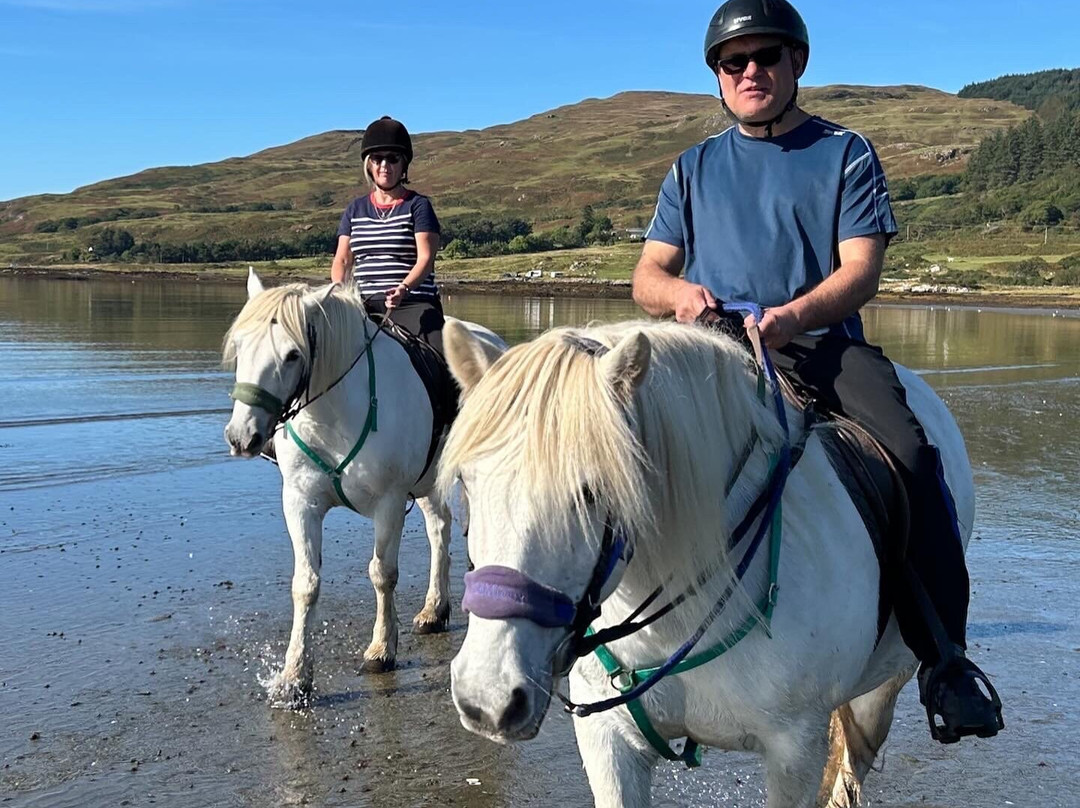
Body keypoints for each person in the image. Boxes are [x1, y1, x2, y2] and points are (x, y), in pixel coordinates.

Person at [631, 0, 1003, 744]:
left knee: (909, 454)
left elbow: (861, 270)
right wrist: (681, 295)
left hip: (821, 347)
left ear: (796, 64)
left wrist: (792, 316)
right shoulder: (693, 168)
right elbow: (648, 274)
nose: (750, 72)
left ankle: (944, 662)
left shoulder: (846, 152)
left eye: (766, 57)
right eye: (733, 63)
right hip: (710, 346)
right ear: (718, 79)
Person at [332, 115, 445, 353]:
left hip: (413, 303)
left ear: (403, 164)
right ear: (369, 165)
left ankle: (448, 390)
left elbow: (425, 259)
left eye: (392, 159)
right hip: (363, 304)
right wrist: (340, 295)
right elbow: (342, 260)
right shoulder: (354, 209)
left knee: (440, 353)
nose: (385, 165)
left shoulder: (418, 205)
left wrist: (403, 288)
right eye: (378, 158)